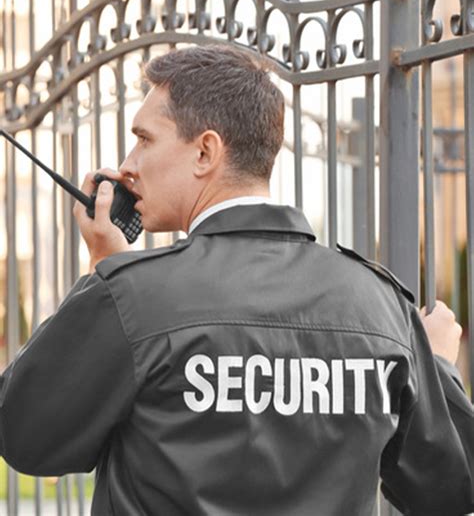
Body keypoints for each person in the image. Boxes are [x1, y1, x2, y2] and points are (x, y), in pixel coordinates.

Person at [0, 44, 472, 516]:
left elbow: (23, 435)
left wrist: (104, 276)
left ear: (205, 151)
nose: (128, 164)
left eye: (144, 139)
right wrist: (434, 366)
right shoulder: (381, 307)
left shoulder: (132, 297)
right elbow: (452, 488)